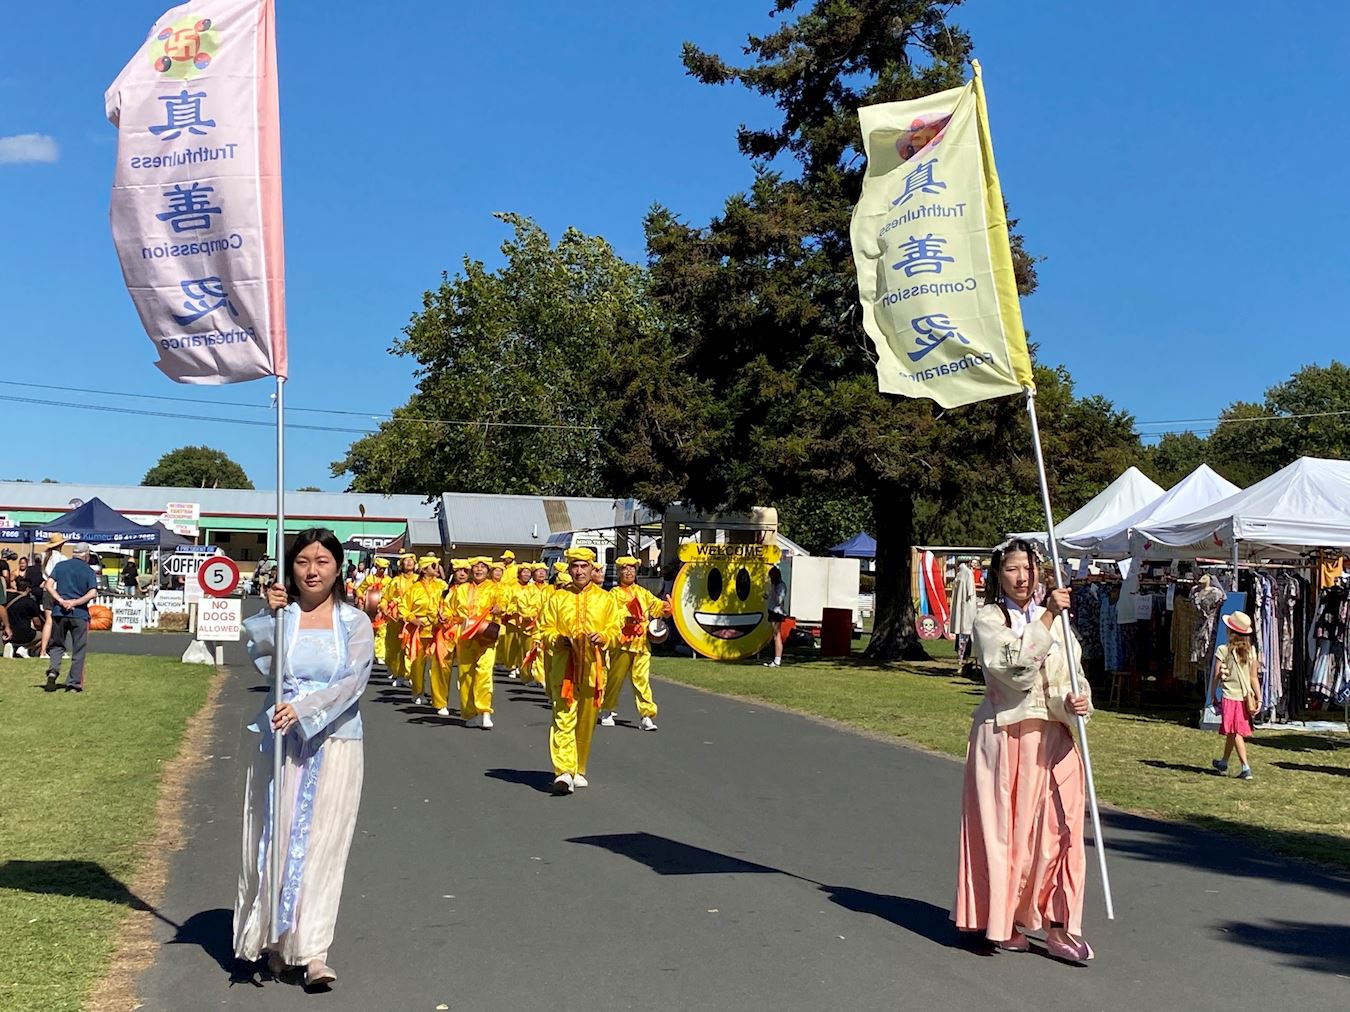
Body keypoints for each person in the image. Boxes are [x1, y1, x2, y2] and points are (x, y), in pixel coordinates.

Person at [234, 527, 373, 990]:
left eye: (323, 562)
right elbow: (266, 667)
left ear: (338, 568)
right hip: (283, 744)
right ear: (290, 568)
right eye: (302, 562)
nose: (312, 571)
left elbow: (352, 683)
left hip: (335, 743)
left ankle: (313, 951)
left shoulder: (355, 623)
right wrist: (268, 617)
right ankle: (274, 940)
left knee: (322, 845)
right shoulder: (282, 618)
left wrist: (307, 709)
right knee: (276, 838)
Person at [953, 537, 1094, 963]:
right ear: (999, 574)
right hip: (1007, 738)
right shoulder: (988, 620)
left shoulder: (1059, 623)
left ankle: (1058, 923)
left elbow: (1070, 675)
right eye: (1013, 568)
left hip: (1055, 736)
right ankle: (1005, 918)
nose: (1022, 577)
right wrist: (1048, 615)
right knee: (1010, 834)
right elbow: (1014, 670)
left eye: (1029, 569)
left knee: (1060, 830)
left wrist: (1076, 699)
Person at [539, 547, 622, 794]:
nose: (579, 571)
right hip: (564, 669)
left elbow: (616, 631)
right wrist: (557, 639)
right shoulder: (557, 599)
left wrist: (604, 636)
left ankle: (579, 767)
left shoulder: (606, 599)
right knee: (563, 716)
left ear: (592, 568)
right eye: (574, 566)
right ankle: (564, 771)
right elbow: (543, 630)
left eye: (583, 566)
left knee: (586, 721)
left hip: (593, 671)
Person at [600, 556, 667, 730]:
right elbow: (611, 616)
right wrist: (626, 619)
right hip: (621, 645)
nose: (628, 571)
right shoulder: (613, 594)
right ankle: (607, 709)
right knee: (615, 679)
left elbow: (656, 606)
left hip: (641, 645)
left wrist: (666, 608)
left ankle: (646, 715)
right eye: (624, 568)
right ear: (619, 572)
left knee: (642, 680)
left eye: (632, 568)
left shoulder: (642, 592)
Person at [449, 557, 502, 728]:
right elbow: (450, 609)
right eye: (476, 567)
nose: (479, 570)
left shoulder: (495, 589)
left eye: (483, 567)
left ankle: (484, 711)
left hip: (486, 636)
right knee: (466, 675)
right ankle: (469, 712)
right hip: (465, 636)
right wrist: (446, 617)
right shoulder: (461, 589)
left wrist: (500, 608)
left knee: (484, 672)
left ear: (488, 570)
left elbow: (505, 604)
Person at [1209, 611, 1261, 780]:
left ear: (1230, 631)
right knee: (1233, 730)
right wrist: (1259, 698)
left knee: (1235, 732)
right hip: (1245, 697)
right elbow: (1254, 677)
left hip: (1229, 696)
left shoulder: (1223, 650)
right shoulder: (1252, 652)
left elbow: (1216, 675)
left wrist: (1212, 695)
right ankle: (1223, 761)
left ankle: (1245, 767)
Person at [43, 542, 100, 692]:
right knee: (79, 649)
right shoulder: (88, 571)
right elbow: (92, 592)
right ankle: (73, 684)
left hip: (59, 612)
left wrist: (61, 600)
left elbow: (48, 585)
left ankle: (54, 670)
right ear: (86, 555)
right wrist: (75, 602)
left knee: (56, 645)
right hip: (79, 613)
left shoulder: (61, 566)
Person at [399, 556, 451, 712]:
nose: (436, 567)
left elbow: (449, 603)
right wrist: (412, 619)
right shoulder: (414, 589)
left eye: (437, 564)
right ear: (423, 569)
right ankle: (418, 691)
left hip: (439, 630)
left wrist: (445, 615)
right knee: (418, 663)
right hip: (420, 630)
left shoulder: (442, 586)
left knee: (440, 665)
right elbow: (403, 607)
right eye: (433, 565)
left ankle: (439, 700)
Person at [381, 553, 418, 688]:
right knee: (395, 647)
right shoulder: (395, 581)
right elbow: (386, 597)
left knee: (410, 647)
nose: (408, 563)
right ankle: (399, 673)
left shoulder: (418, 580)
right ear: (401, 565)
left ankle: (410, 674)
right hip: (396, 617)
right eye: (405, 561)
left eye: (411, 561)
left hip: (412, 617)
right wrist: (384, 606)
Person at [2, 577, 44, 657]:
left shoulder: (8, 598)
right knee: (46, 636)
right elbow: (37, 623)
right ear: (28, 588)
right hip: (26, 634)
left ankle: (12, 646)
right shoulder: (30, 602)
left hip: (9, 634)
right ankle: (25, 648)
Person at [763, 566, 787, 668]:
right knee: (775, 635)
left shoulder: (780, 586)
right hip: (772, 610)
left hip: (777, 612)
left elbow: (779, 601)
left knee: (777, 635)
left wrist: (774, 592)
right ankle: (776, 658)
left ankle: (777, 660)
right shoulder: (775, 585)